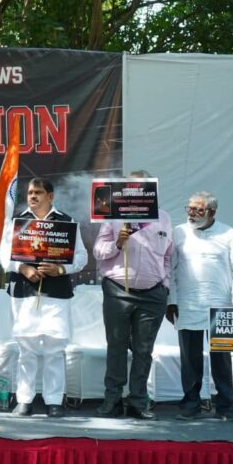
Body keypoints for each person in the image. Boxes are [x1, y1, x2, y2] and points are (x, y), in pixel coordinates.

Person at [0, 177, 88, 418]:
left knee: (54, 348)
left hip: (56, 293)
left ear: (51, 196)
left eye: (38, 192)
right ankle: (24, 400)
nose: (33, 196)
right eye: (29, 193)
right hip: (24, 293)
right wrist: (22, 268)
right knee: (25, 348)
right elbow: (2, 256)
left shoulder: (66, 222)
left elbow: (81, 257)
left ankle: (54, 400)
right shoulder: (18, 222)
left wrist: (61, 269)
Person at [93, 171, 173, 420]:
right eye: (133, 187)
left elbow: (169, 256)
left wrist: (165, 285)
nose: (137, 190)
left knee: (143, 349)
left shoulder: (164, 218)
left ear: (151, 190)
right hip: (118, 291)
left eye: (142, 187)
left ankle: (138, 402)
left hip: (153, 295)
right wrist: (118, 242)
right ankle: (112, 401)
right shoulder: (112, 216)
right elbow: (98, 251)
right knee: (116, 347)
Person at [166, 191, 233, 422]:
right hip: (187, 303)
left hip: (220, 304)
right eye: (189, 209)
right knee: (190, 359)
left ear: (212, 212)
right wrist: (171, 301)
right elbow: (170, 269)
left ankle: (225, 406)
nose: (191, 214)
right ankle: (191, 404)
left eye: (198, 210)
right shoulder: (179, 232)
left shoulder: (229, 233)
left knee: (221, 358)